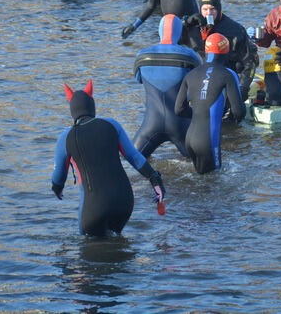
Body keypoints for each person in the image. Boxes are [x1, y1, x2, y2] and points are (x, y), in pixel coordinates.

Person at [51, 80, 166, 236]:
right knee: (119, 244)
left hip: (94, 208)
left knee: (87, 246)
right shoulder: (112, 125)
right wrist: (154, 179)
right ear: (92, 106)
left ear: (72, 110)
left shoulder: (66, 137)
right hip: (124, 203)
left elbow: (59, 177)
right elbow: (134, 157)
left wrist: (57, 189)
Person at [174, 33, 246, 174]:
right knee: (214, 188)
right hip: (208, 140)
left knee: (199, 184)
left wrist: (198, 113)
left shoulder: (191, 74)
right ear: (226, 52)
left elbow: (178, 109)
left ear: (206, 52)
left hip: (189, 139)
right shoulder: (228, 74)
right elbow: (239, 112)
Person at [132, 15, 202, 159]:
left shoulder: (142, 56)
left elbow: (139, 79)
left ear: (159, 30)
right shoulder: (190, 56)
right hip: (181, 124)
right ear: (179, 31)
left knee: (132, 160)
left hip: (151, 123)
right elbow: (198, 84)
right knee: (199, 167)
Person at [181, 0, 259, 101]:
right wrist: (185, 23)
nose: (208, 13)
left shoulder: (235, 30)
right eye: (205, 9)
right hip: (197, 80)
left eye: (212, 9)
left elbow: (250, 62)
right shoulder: (192, 26)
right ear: (200, 9)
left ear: (219, 9)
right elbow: (170, 42)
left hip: (224, 81)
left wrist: (243, 88)